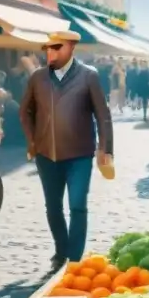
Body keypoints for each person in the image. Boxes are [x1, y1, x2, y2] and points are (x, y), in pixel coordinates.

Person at [20, 30, 113, 273]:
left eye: (57, 47)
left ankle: (73, 261)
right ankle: (61, 251)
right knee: (53, 207)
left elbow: (103, 116)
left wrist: (106, 148)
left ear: (71, 47)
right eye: (47, 48)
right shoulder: (37, 78)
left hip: (80, 155)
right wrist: (32, 142)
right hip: (46, 155)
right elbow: (25, 112)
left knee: (78, 206)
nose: (50, 52)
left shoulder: (88, 76)